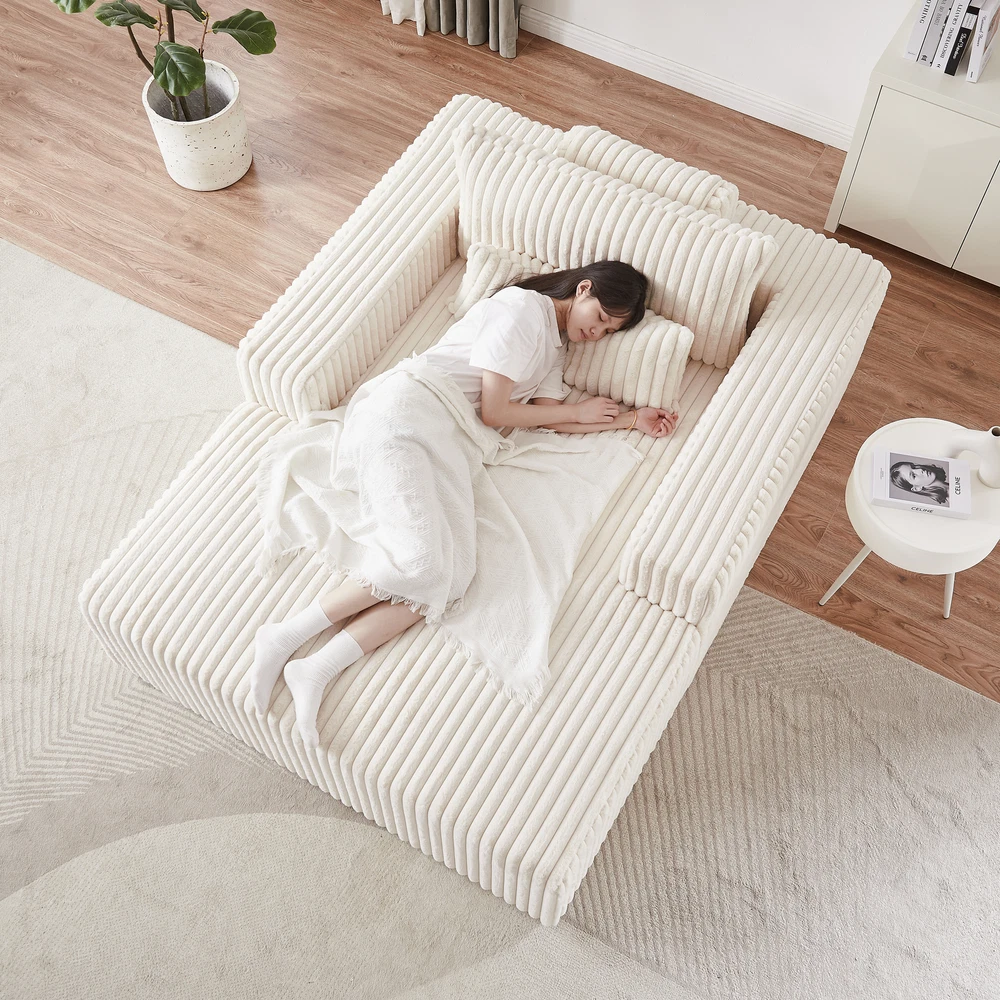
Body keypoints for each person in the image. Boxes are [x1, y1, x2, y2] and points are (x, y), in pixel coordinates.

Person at [249, 260, 681, 746]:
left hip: (450, 446)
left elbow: (549, 418)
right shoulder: (522, 309)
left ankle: (317, 668)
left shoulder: (553, 352)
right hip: (409, 414)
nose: (596, 333)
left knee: (452, 579)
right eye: (600, 317)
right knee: (421, 562)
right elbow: (495, 411)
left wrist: (630, 420)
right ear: (583, 289)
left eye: (608, 332)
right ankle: (284, 635)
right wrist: (579, 411)